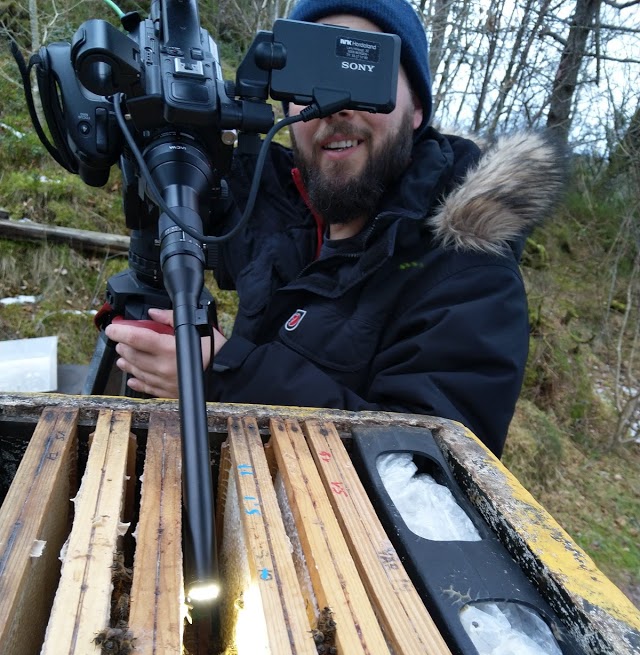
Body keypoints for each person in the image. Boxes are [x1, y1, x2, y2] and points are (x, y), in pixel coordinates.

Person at [105, 0, 564, 457]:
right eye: (308, 71)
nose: (333, 104)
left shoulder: (469, 276)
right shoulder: (289, 207)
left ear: (417, 108)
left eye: (364, 72)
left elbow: (426, 476)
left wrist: (224, 374)